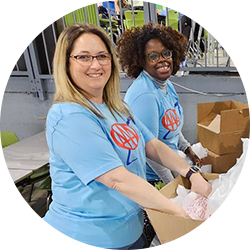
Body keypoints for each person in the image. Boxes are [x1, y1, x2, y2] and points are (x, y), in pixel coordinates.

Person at [43, 23, 211, 249]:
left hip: (130, 229)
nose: (96, 64)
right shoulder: (69, 116)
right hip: (88, 236)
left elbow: (152, 144)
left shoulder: (116, 107)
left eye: (102, 56)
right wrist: (176, 211)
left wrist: (190, 173)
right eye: (84, 57)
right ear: (66, 63)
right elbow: (117, 179)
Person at [117, 23, 201, 185]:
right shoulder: (145, 95)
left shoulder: (165, 84)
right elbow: (150, 151)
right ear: (141, 60)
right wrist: (174, 185)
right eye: (153, 56)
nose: (162, 60)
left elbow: (172, 126)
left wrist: (187, 149)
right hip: (153, 179)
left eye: (166, 53)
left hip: (172, 166)